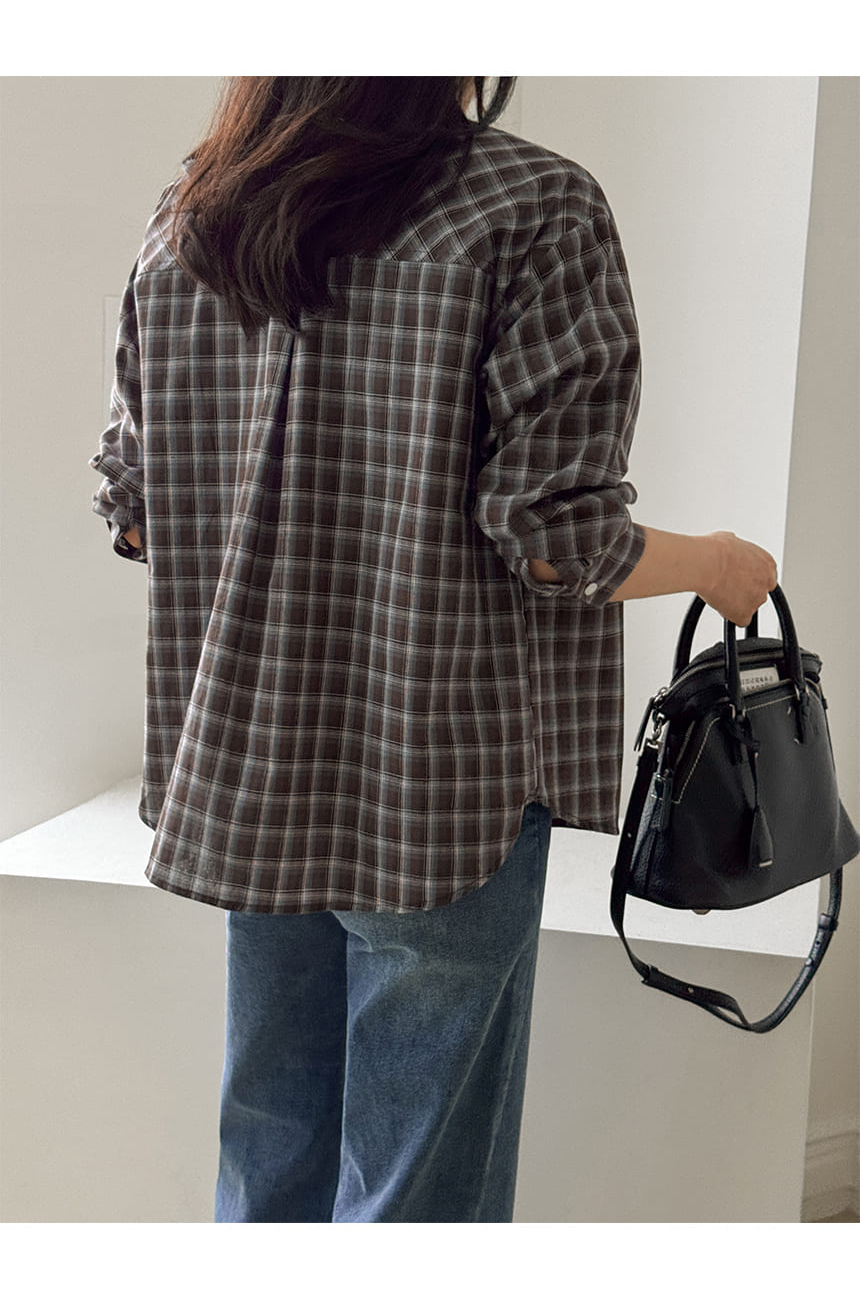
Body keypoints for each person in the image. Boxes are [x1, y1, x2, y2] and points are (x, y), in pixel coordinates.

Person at [89, 77, 778, 1223]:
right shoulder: (528, 204)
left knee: (270, 1145)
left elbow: (137, 512)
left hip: (251, 764)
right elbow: (555, 541)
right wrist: (713, 564)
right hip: (437, 778)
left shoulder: (197, 213)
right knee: (416, 1194)